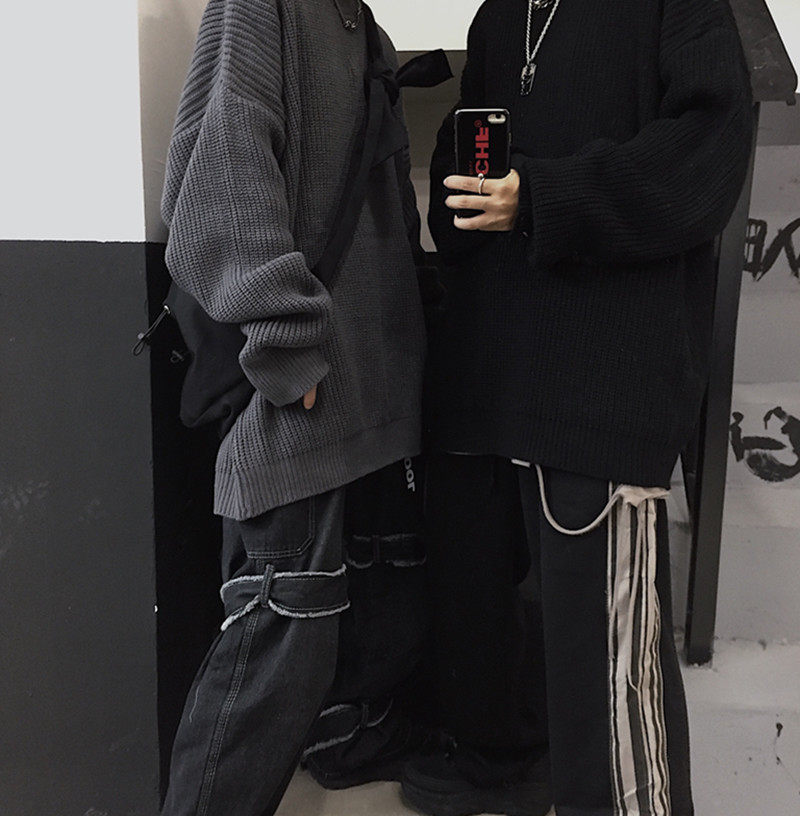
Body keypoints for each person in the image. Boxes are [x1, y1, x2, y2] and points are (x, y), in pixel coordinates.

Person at [403, 1, 754, 815]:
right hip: (493, 373)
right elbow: (471, 146)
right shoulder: (501, 15)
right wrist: (462, 189)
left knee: (607, 670)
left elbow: (709, 151)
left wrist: (545, 195)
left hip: (606, 380)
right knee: (484, 618)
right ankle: (505, 760)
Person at [158, 0, 433, 813]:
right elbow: (215, 179)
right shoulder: (262, 7)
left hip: (375, 389)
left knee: (347, 622)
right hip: (306, 383)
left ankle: (346, 741)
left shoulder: (365, 28)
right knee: (279, 631)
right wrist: (285, 336)